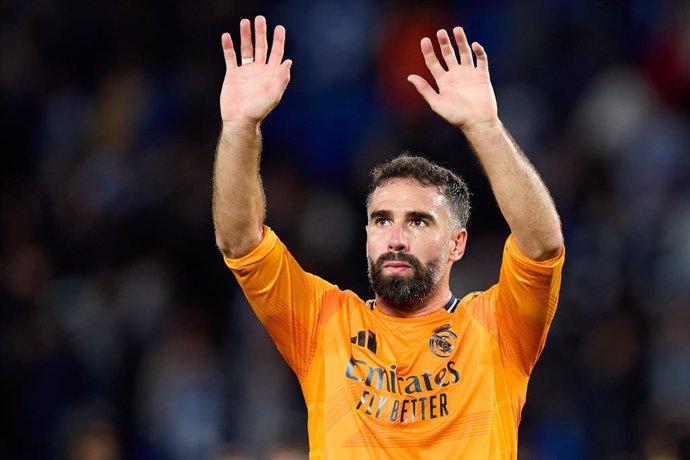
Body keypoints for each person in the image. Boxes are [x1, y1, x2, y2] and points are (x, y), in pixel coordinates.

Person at [213, 15, 564, 459]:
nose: (395, 237)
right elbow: (239, 241)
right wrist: (241, 128)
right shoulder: (323, 325)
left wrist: (486, 129)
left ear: (457, 243)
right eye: (381, 221)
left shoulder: (497, 329)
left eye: (418, 221)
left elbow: (542, 246)